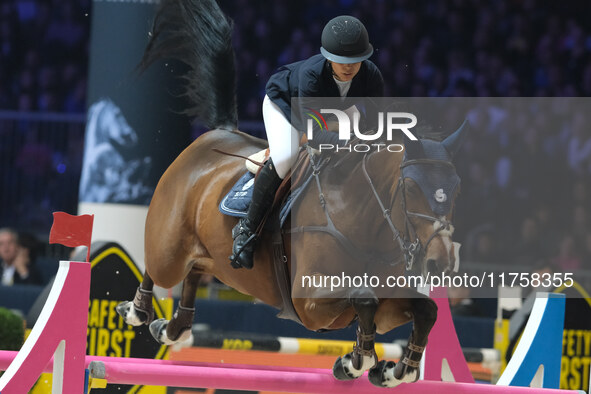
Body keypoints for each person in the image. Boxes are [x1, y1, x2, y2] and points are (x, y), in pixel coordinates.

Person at [230, 15, 384, 269]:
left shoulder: (371, 75)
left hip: (334, 110)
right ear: (327, 57)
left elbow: (378, 123)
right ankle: (246, 230)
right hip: (287, 105)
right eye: (342, 61)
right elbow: (314, 134)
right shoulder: (312, 76)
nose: (348, 67)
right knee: (286, 157)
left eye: (355, 61)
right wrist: (350, 143)